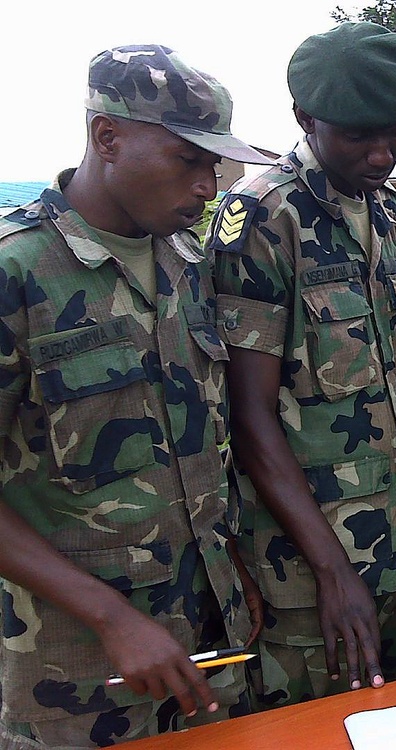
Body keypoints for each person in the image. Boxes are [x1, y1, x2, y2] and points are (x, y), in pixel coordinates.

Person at [0, 44, 271, 747]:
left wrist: (232, 569)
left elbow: (204, 442)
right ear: (107, 137)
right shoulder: (17, 273)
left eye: (215, 165)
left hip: (209, 646)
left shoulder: (186, 264)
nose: (209, 186)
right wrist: (112, 619)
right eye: (188, 160)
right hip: (80, 677)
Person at [206, 22, 396, 708]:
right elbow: (250, 417)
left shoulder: (384, 207)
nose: (382, 151)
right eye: (359, 135)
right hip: (306, 575)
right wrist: (333, 573)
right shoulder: (265, 219)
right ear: (305, 119)